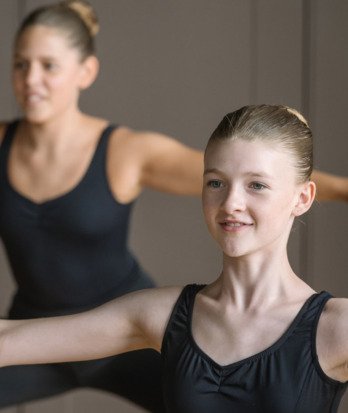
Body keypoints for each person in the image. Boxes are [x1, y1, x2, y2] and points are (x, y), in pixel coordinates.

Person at [0, 0, 347, 411]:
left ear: (302, 198)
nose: (232, 202)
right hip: (56, 320)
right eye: (215, 182)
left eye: (257, 186)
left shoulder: (336, 328)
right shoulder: (160, 315)